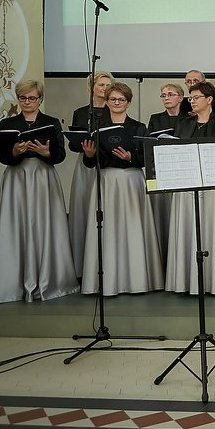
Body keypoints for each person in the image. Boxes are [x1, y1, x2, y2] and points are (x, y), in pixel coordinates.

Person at [0, 80, 77, 303]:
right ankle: (14, 284)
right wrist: (14, 151)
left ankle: (50, 280)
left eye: (32, 98)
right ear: (18, 99)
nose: (27, 102)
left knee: (46, 225)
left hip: (43, 177)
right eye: (23, 98)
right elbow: (2, 157)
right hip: (17, 178)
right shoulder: (8, 123)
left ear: (40, 99)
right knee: (17, 225)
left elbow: (60, 156)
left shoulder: (51, 122)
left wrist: (46, 152)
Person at [80, 83, 163, 295]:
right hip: (107, 180)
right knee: (107, 228)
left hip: (132, 180)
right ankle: (107, 281)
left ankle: (137, 280)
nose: (117, 103)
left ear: (129, 103)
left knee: (134, 227)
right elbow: (90, 164)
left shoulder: (138, 127)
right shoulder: (97, 128)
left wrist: (130, 157)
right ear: (106, 102)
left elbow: (147, 158)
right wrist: (89, 155)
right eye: (113, 99)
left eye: (121, 100)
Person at [166, 82, 215, 295]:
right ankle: (188, 280)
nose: (192, 101)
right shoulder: (184, 124)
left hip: (214, 186)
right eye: (190, 98)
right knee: (190, 230)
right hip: (188, 183)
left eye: (196, 97)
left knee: (213, 230)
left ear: (209, 99)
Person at [67, 70, 113, 279]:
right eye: (101, 84)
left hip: (107, 164)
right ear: (91, 87)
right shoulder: (81, 112)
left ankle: (106, 259)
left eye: (107, 85)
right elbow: (72, 142)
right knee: (84, 208)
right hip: (85, 163)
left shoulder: (114, 110)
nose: (104, 88)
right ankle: (82, 264)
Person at [147, 83, 185, 259]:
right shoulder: (156, 118)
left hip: (182, 168)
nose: (166, 98)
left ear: (180, 97)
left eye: (170, 94)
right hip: (162, 167)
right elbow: (148, 142)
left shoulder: (188, 118)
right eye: (163, 95)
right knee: (162, 212)